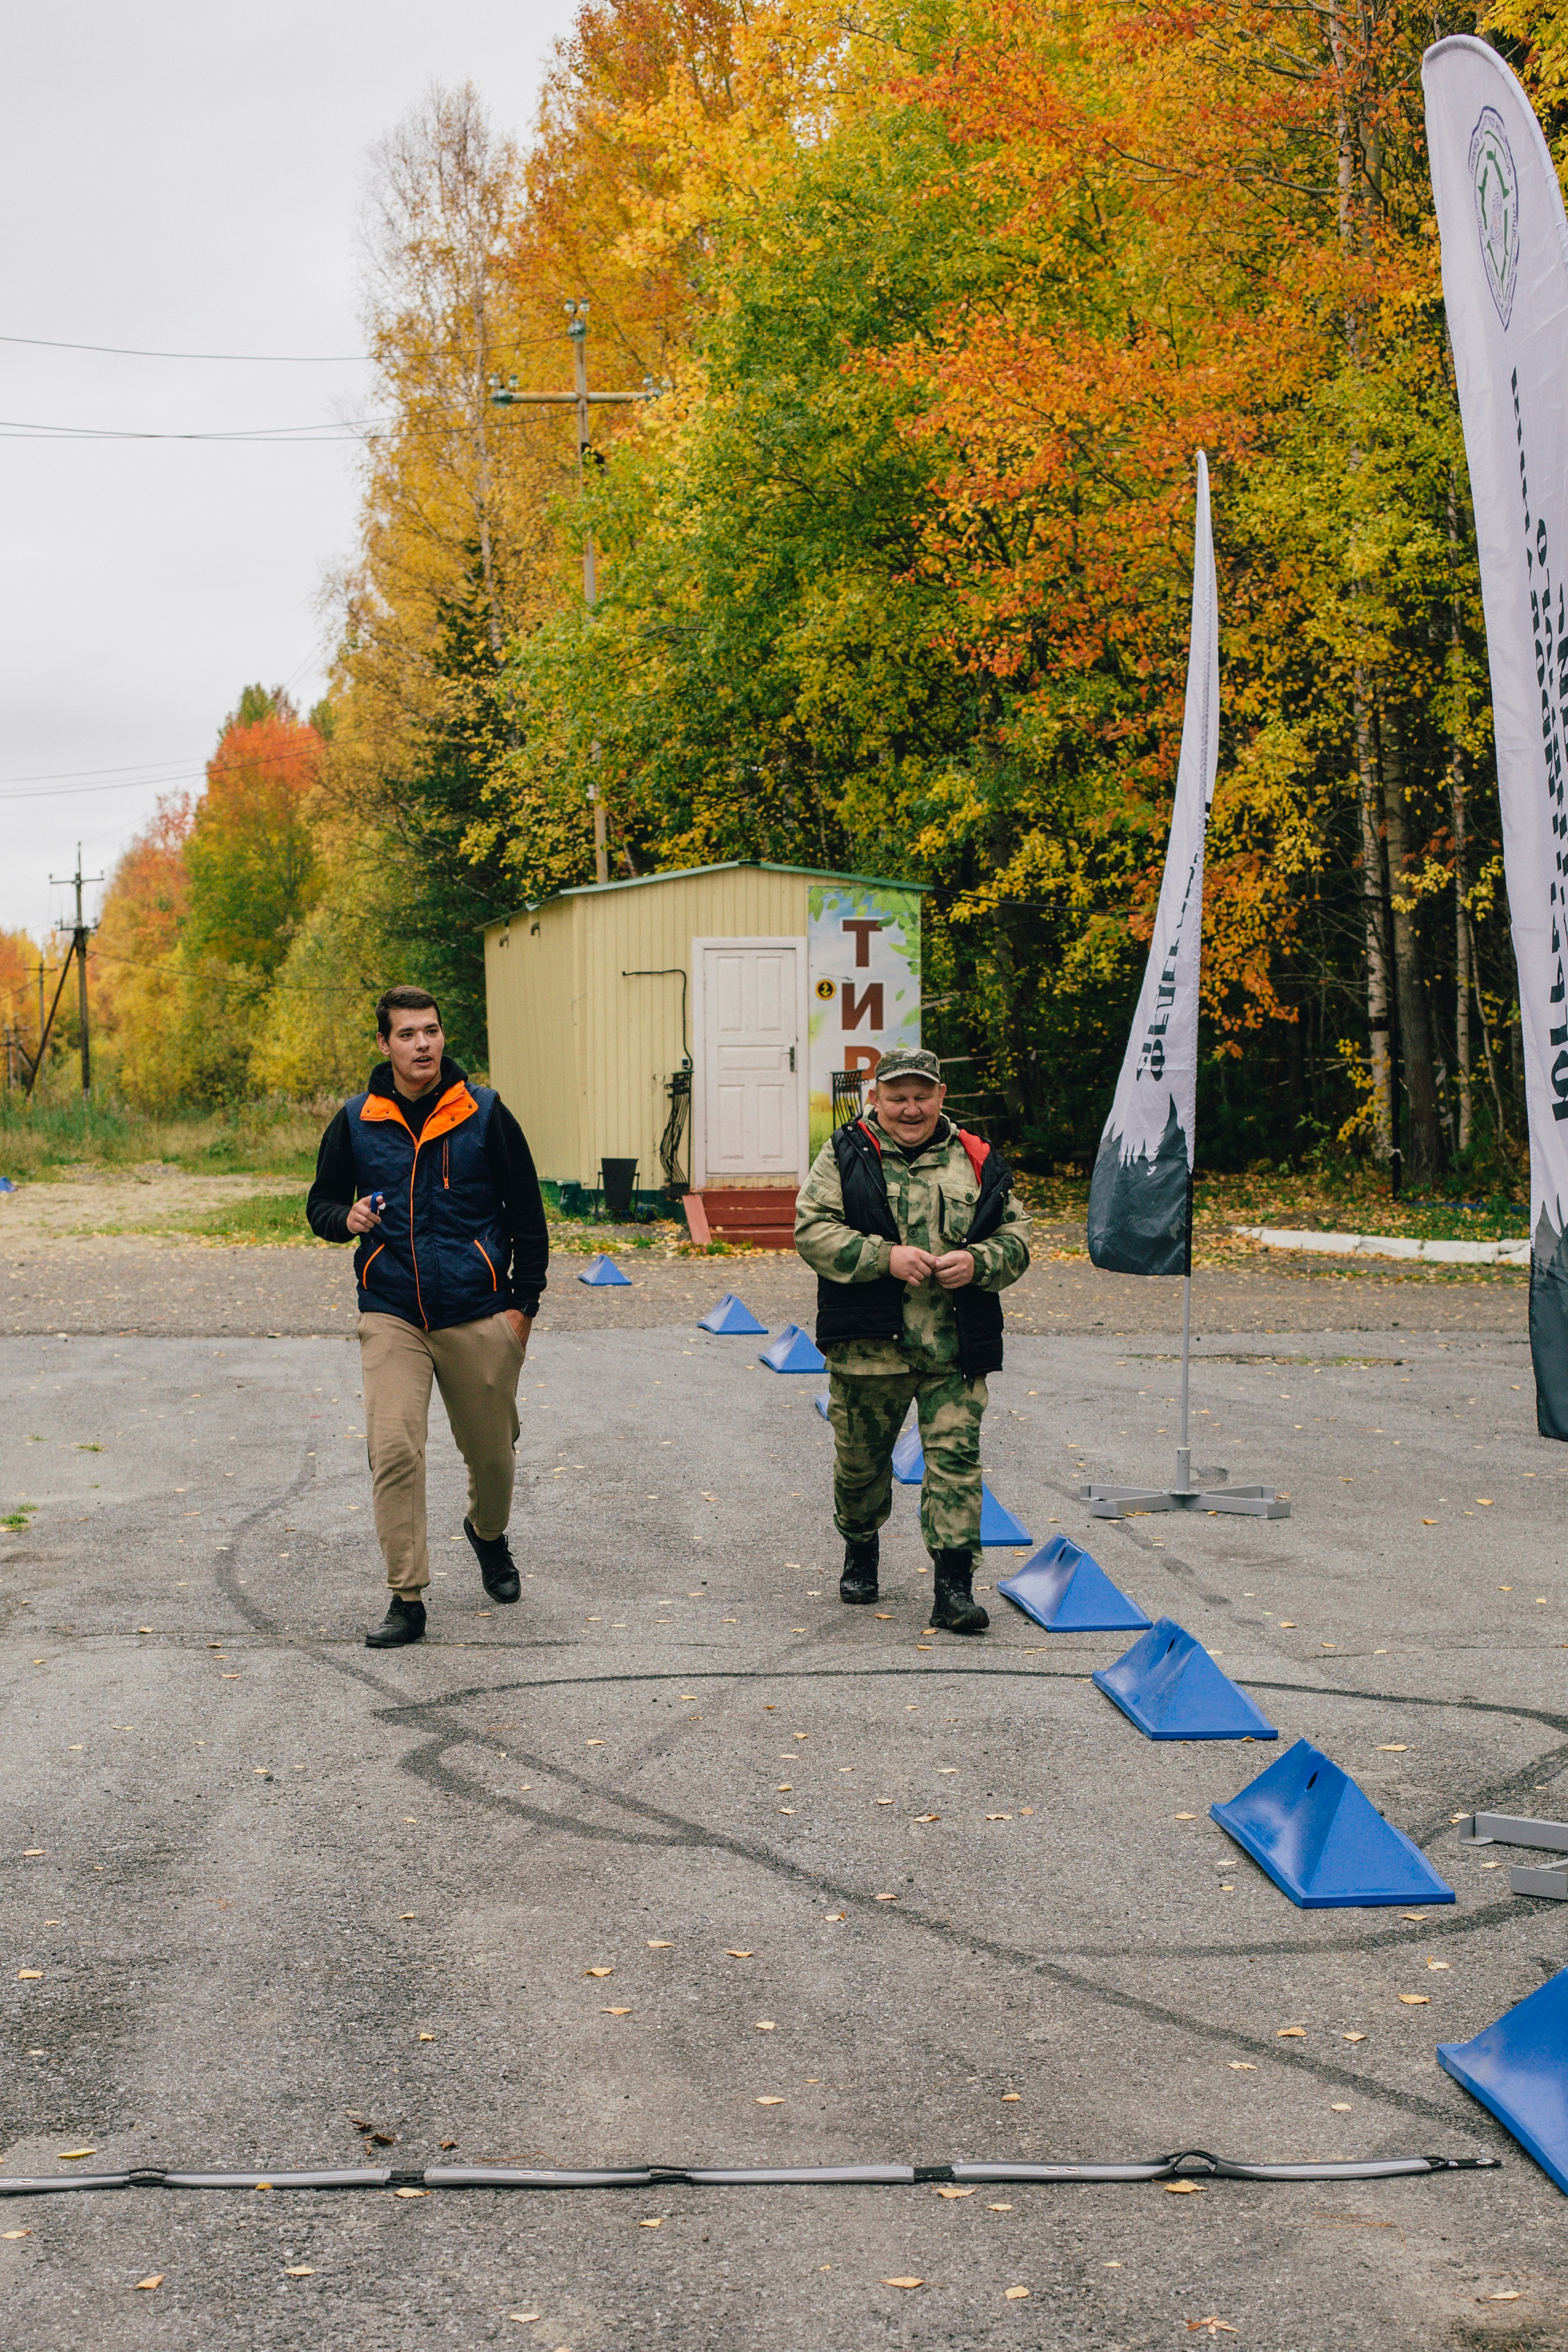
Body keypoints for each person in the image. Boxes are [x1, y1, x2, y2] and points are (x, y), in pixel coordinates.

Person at [306, 986, 549, 1647]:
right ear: (384, 1044)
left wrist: (521, 1310)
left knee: (492, 1456)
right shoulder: (356, 1120)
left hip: (478, 1311)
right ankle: (406, 1596)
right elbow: (321, 1204)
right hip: (392, 1312)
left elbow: (527, 1214)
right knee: (393, 1449)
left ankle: (488, 1534)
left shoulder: (486, 1113)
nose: (423, 1044)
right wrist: (345, 1218)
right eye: (409, 1033)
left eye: (432, 1031)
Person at [794, 1047, 1030, 1634]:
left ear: (941, 1097)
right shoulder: (845, 1153)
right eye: (897, 1097)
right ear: (876, 1098)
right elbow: (812, 1231)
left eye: (921, 1096)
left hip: (953, 1349)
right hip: (870, 1350)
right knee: (860, 1467)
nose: (910, 1108)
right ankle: (861, 1545)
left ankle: (953, 1587)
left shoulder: (976, 1158)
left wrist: (979, 1263)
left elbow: (1017, 1236)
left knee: (956, 1464)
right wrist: (884, 1257)